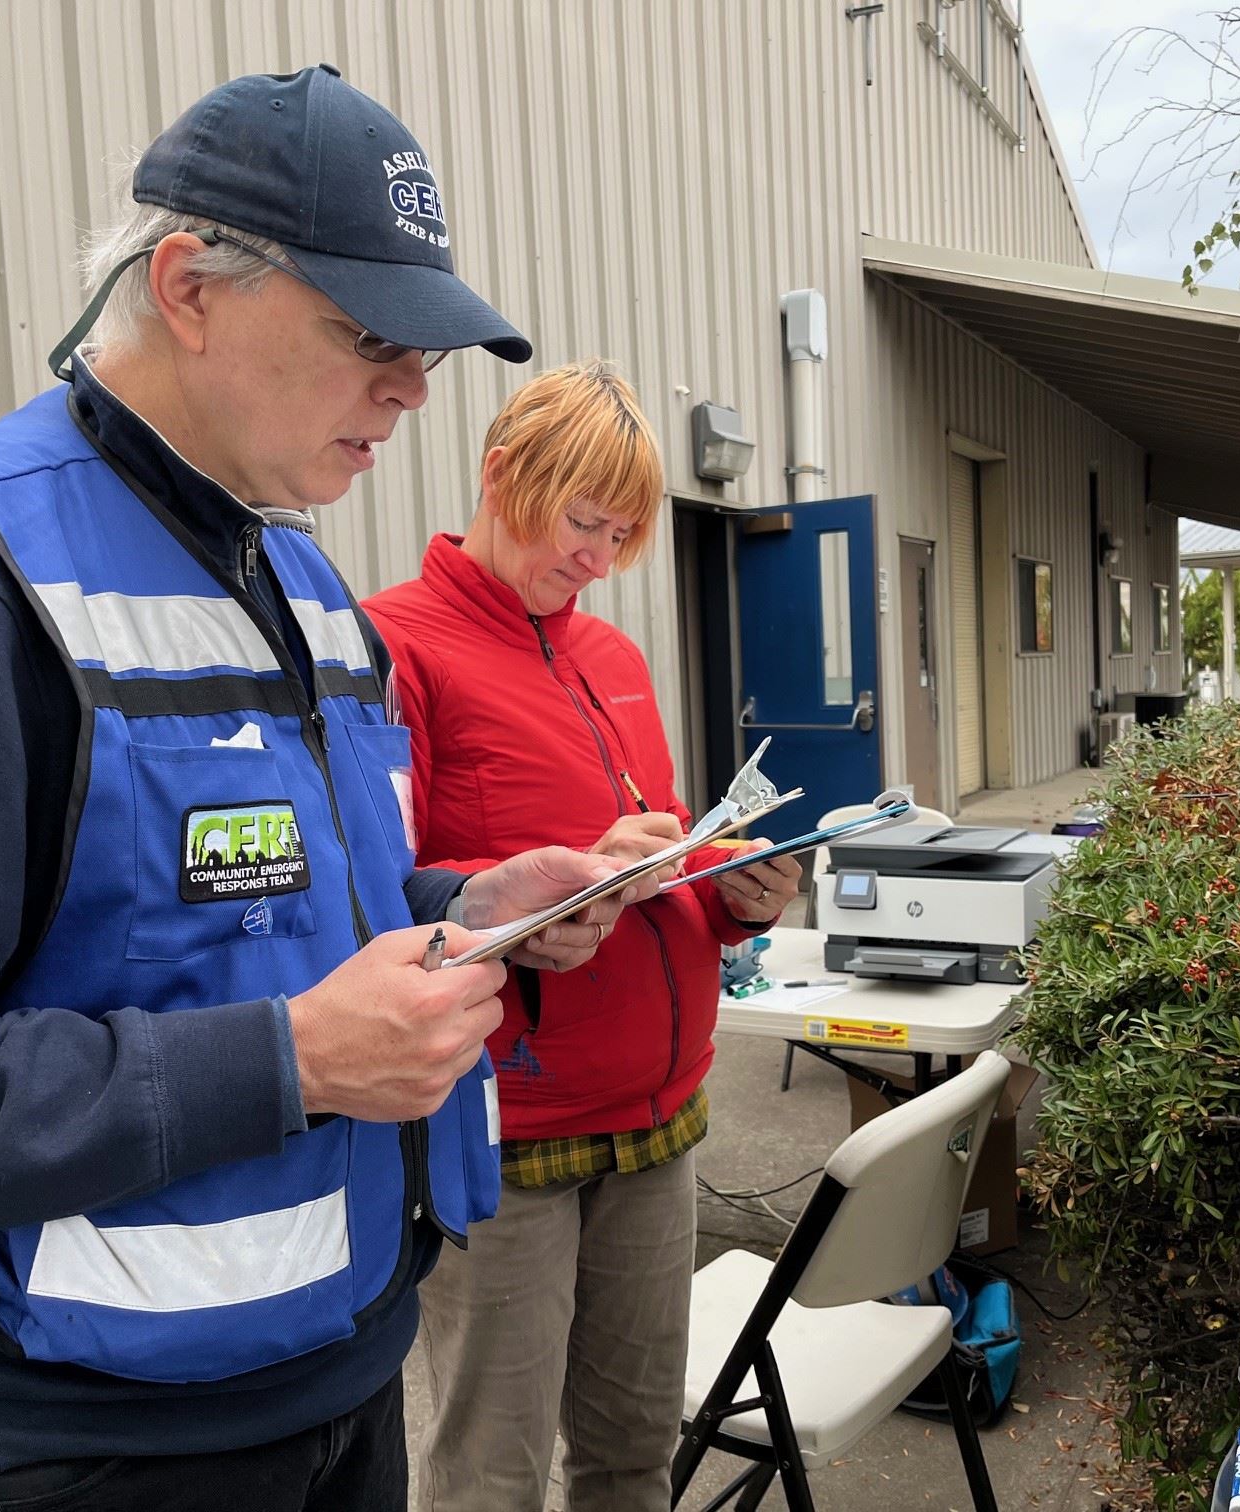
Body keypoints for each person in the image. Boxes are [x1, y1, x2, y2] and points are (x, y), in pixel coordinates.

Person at [0, 67, 633, 1512]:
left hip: (341, 1381)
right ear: (188, 286)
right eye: (368, 334)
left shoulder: (308, 584)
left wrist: (468, 907)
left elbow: (270, 920)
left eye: (428, 349)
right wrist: (295, 1062)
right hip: (75, 1446)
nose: (412, 387)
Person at [360, 360, 804, 1511]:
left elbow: (656, 855)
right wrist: (498, 904)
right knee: (489, 1478)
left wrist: (729, 887)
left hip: (661, 1122)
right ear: (504, 476)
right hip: (509, 1133)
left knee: (631, 1459)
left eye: (623, 536)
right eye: (583, 522)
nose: (599, 561)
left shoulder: (612, 658)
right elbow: (369, 890)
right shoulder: (392, 650)